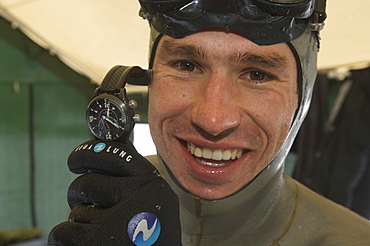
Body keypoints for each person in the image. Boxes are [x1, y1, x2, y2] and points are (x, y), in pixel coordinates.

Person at [48, 0, 370, 245]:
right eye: (187, 65)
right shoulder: (112, 206)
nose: (213, 120)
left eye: (257, 75)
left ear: (303, 95)